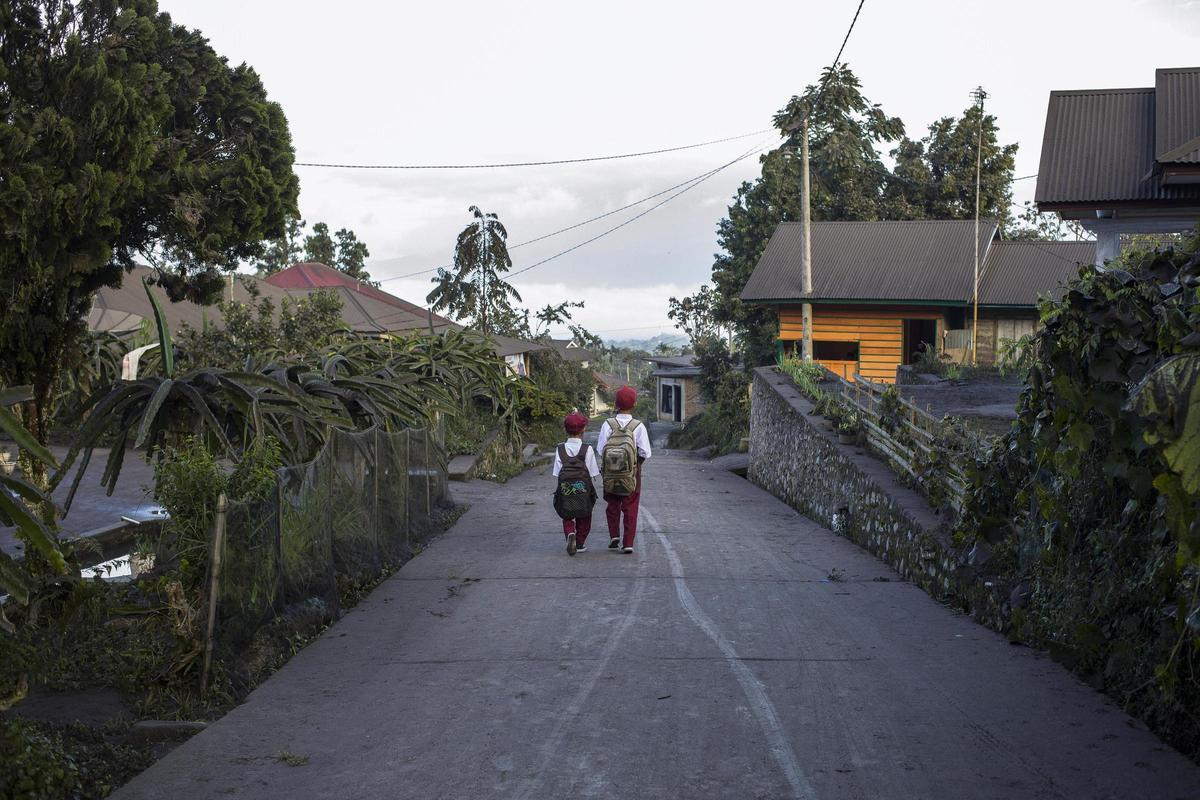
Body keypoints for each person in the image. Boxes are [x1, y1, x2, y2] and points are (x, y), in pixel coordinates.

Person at [597, 385, 652, 554]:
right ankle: (628, 542)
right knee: (630, 506)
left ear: (615, 404)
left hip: (610, 473)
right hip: (632, 472)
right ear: (634, 404)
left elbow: (600, 450)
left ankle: (614, 535)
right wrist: (635, 465)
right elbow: (645, 452)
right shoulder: (638, 426)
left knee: (612, 503)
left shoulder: (608, 424)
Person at [551, 411, 600, 556]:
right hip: (583, 490)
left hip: (565, 489)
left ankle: (570, 533)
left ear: (565, 429)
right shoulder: (587, 449)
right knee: (585, 515)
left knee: (567, 514)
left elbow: (557, 473)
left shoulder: (560, 449)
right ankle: (579, 542)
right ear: (583, 429)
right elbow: (592, 473)